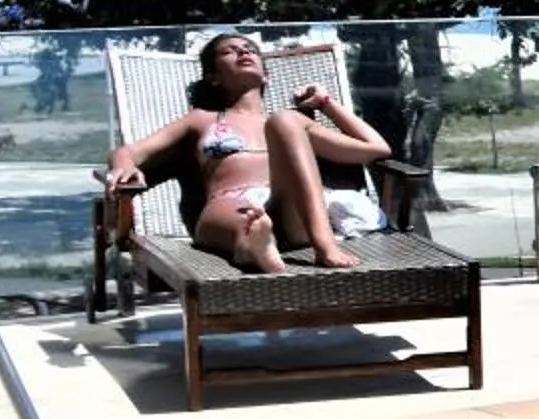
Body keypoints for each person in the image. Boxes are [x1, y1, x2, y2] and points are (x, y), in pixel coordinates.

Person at [102, 33, 391, 273]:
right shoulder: (202, 119)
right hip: (229, 205)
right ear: (213, 77)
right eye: (230, 51)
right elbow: (129, 152)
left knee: (284, 119)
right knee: (243, 216)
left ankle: (322, 246)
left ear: (265, 74)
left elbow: (376, 149)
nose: (243, 52)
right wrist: (123, 166)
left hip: (290, 213)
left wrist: (326, 103)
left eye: (250, 49)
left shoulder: (291, 124)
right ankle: (252, 242)